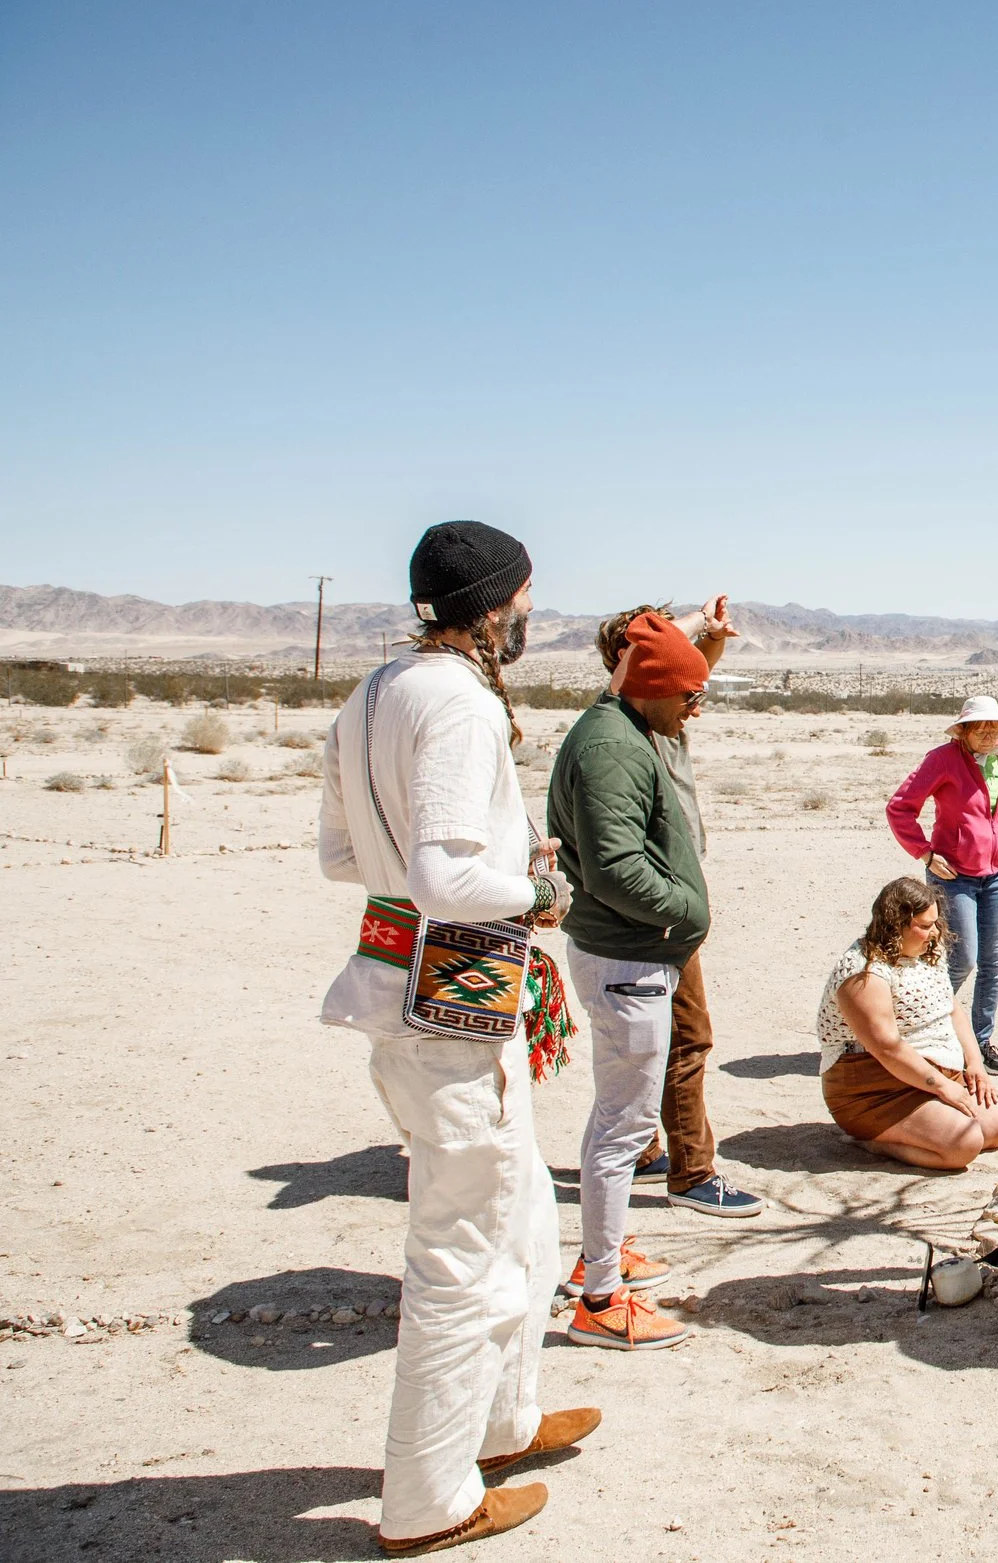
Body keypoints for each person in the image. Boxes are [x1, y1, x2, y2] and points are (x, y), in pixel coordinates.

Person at [317, 520, 593, 1554]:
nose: (529, 615)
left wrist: (475, 872)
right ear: (496, 603)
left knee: (519, 1211)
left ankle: (501, 1421)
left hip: (410, 979)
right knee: (461, 1249)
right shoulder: (462, 704)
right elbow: (443, 873)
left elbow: (344, 853)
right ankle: (430, 1497)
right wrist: (538, 889)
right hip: (454, 1002)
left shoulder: (371, 695)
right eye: (524, 598)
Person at [545, 611, 713, 1352]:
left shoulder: (621, 728)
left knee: (615, 1117)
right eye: (688, 694)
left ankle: (599, 1253)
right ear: (653, 688)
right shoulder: (614, 746)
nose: (693, 708)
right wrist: (683, 910)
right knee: (623, 1130)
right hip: (630, 959)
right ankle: (601, 1300)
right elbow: (614, 867)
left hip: (631, 956)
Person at [594, 600, 762, 1220]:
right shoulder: (635, 727)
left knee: (636, 1039)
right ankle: (693, 1172)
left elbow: (687, 672)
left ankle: (640, 1145)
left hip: (654, 904)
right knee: (687, 1038)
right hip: (659, 907)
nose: (695, 699)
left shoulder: (645, 718)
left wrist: (709, 637)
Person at [817, 877, 998, 1168]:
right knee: (964, 1144)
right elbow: (887, 1047)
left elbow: (951, 1007)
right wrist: (943, 1088)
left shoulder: (926, 952)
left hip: (932, 1070)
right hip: (875, 1084)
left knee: (996, 1128)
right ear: (895, 925)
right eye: (924, 926)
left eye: (935, 923)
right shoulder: (864, 972)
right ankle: (874, 1142)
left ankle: (929, 1121)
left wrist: (974, 1063)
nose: (934, 933)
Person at [886, 696, 998, 1076]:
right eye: (979, 727)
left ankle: (979, 1043)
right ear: (962, 731)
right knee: (962, 960)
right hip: (954, 876)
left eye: (994, 727)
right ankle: (917, 1028)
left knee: (992, 963)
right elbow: (900, 807)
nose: (988, 733)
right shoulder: (942, 759)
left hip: (997, 876)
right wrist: (925, 854)